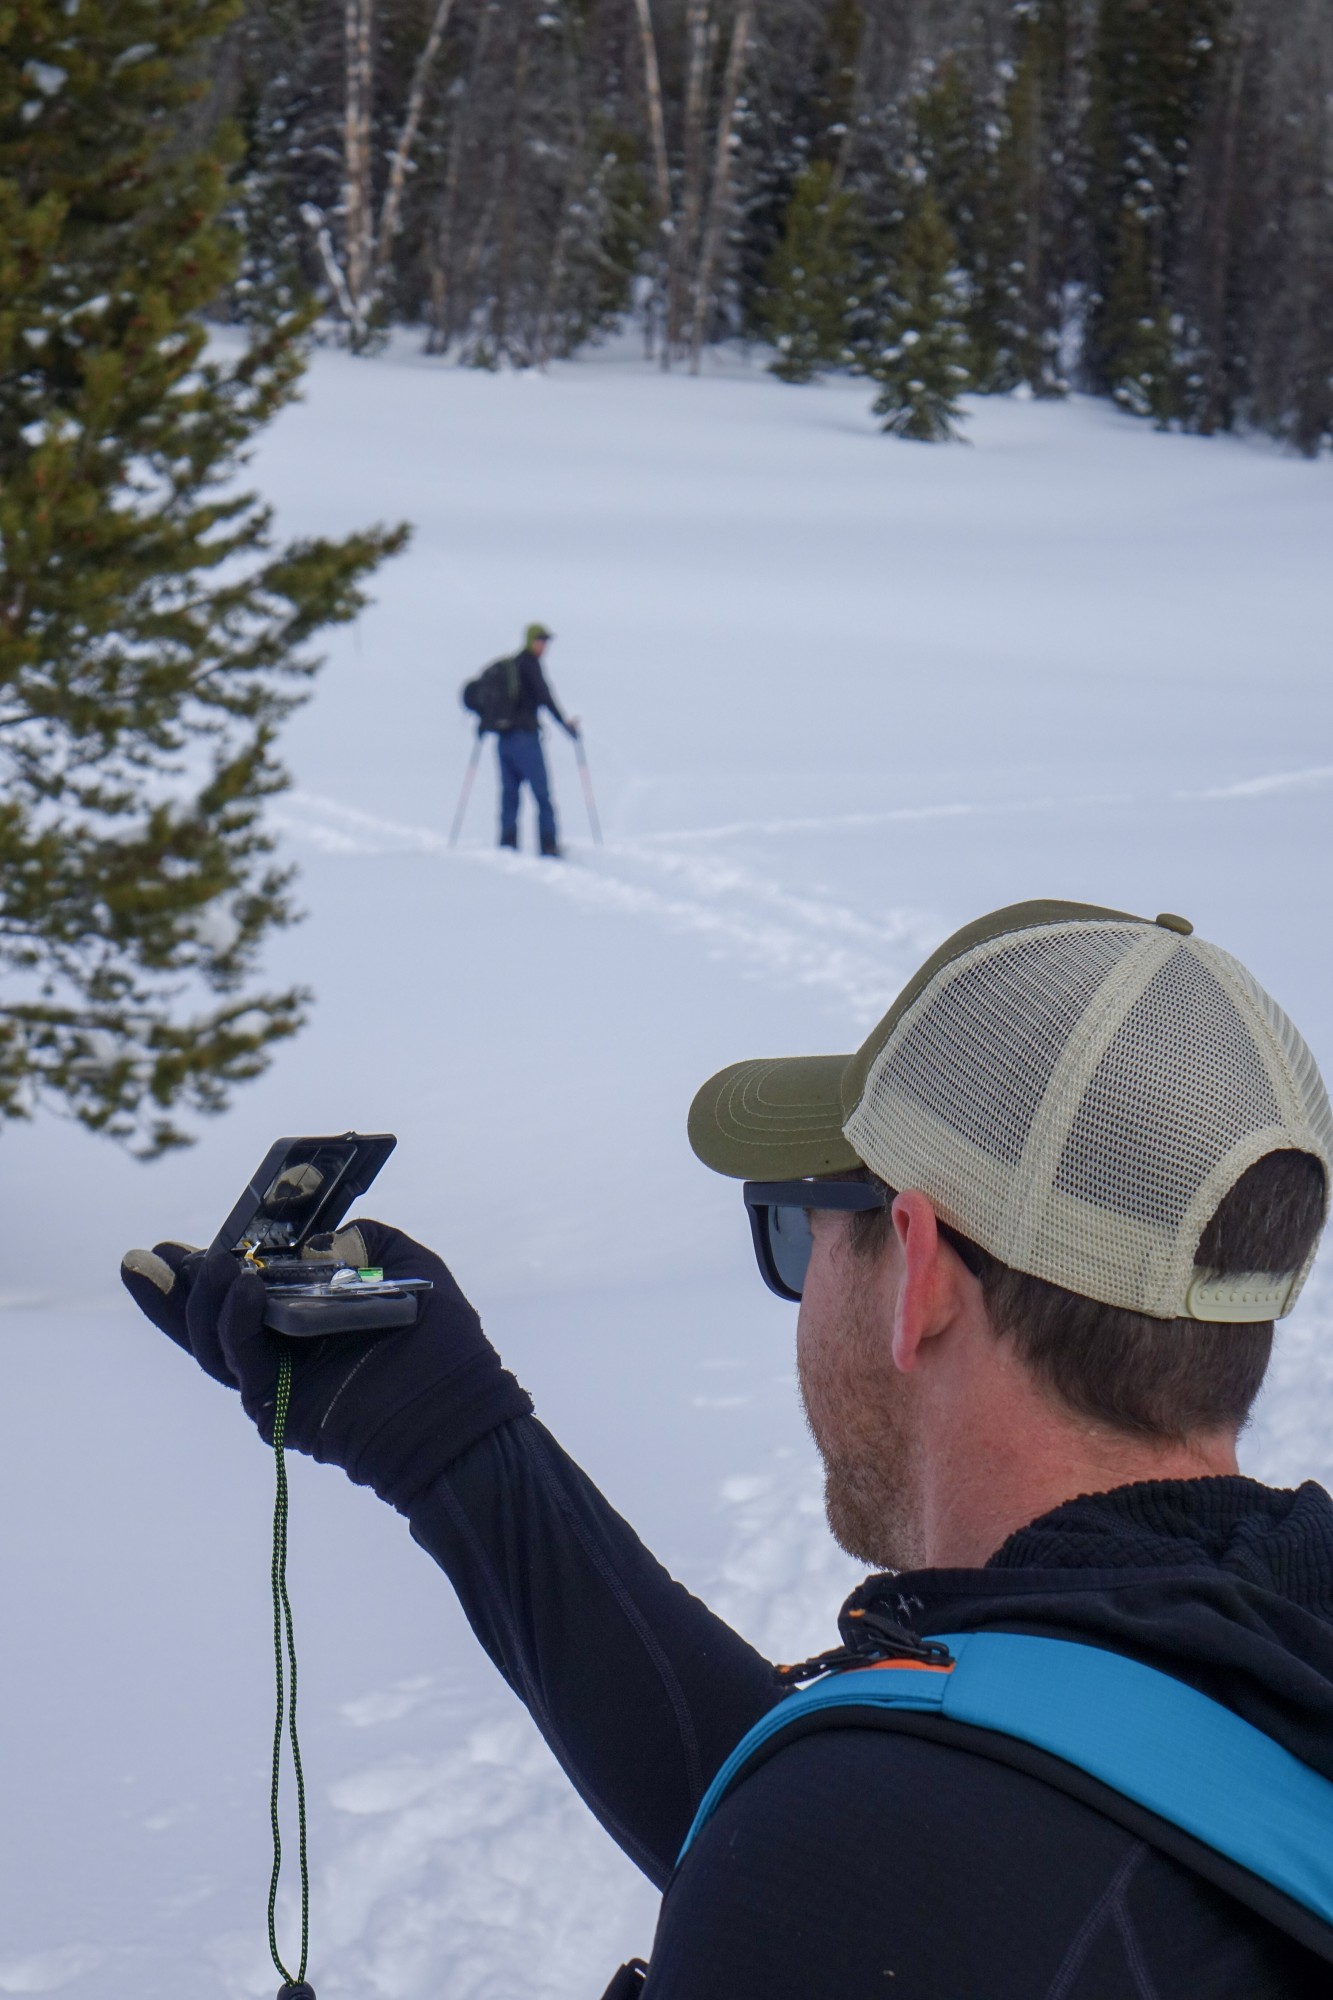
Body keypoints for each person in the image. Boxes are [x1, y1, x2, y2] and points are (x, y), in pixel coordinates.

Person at [122, 899, 1333, 1997]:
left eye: (808, 1232)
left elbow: (892, 1859)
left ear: (916, 1269)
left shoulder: (860, 1870)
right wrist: (450, 1440)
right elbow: (1005, 1805)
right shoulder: (1279, 1644)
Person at [498, 621, 579, 857]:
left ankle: (507, 847)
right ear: (530, 640)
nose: (544, 646)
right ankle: (549, 846)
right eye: (540, 641)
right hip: (526, 740)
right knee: (542, 795)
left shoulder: (511, 666)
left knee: (509, 796)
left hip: (504, 741)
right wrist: (565, 725)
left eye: (545, 641)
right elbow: (546, 697)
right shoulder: (531, 666)